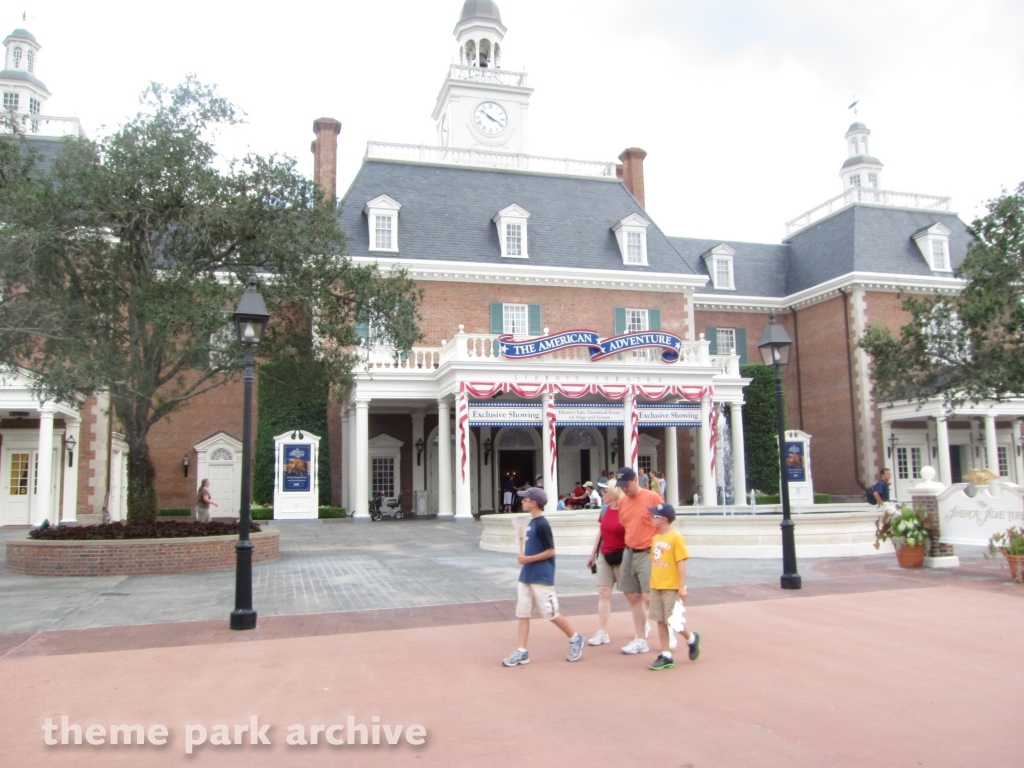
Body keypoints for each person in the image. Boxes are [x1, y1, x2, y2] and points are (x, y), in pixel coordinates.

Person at [502, 487, 585, 667]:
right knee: (523, 613)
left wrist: (528, 559)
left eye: (525, 500)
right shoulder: (530, 523)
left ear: (534, 503)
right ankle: (522, 651)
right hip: (527, 575)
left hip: (541, 575)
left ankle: (575, 638)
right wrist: (524, 558)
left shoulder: (542, 524)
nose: (522, 502)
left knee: (550, 613)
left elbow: (551, 551)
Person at [613, 466, 664, 654]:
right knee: (633, 596)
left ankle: (668, 631)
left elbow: (665, 525)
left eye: (626, 485)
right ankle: (641, 638)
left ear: (635, 480)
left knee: (650, 597)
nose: (624, 489)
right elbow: (627, 526)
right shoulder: (623, 502)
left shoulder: (653, 498)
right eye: (621, 486)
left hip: (649, 551)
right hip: (630, 551)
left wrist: (662, 552)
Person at [646, 503, 701, 670]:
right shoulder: (656, 538)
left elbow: (681, 563)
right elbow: (655, 561)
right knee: (660, 620)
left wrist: (682, 587)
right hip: (656, 585)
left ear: (663, 519)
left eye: (654, 516)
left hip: (671, 586)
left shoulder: (676, 537)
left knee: (673, 620)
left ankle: (691, 639)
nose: (651, 518)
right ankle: (666, 654)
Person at [585, 483, 626, 646]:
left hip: (622, 555)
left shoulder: (626, 509)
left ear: (614, 492)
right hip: (604, 554)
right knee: (603, 592)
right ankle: (602, 632)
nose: (602, 494)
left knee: (632, 594)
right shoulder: (604, 509)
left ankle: (643, 625)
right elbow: (601, 532)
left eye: (605, 491)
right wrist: (593, 553)